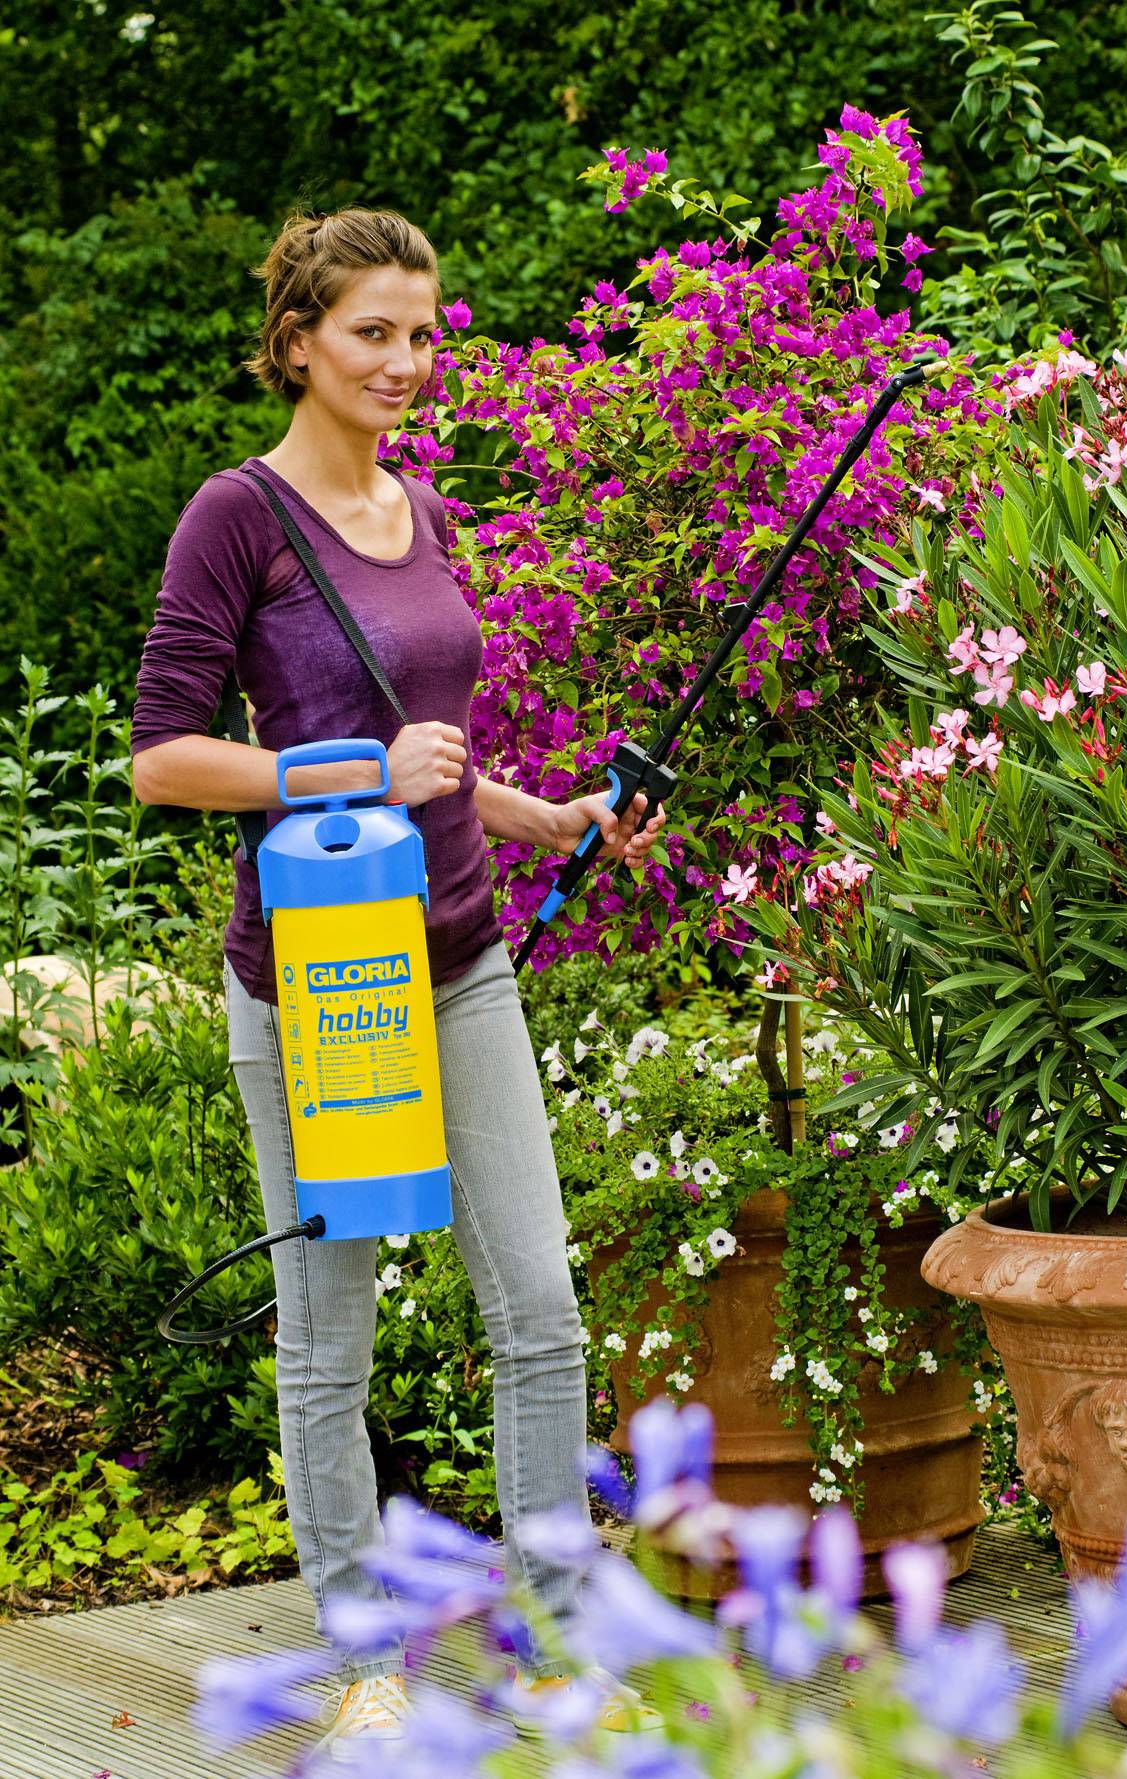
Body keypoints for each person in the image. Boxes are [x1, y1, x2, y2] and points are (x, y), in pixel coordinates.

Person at [130, 206, 665, 1760]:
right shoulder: (234, 518)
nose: (405, 362)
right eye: (373, 332)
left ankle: (561, 1639)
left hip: (462, 954)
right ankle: (363, 1655)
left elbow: (441, 757)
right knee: (333, 1334)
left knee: (542, 1311)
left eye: (422, 334)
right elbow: (165, 759)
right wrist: (346, 764)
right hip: (320, 982)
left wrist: (542, 812)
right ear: (296, 340)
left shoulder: (419, 511)